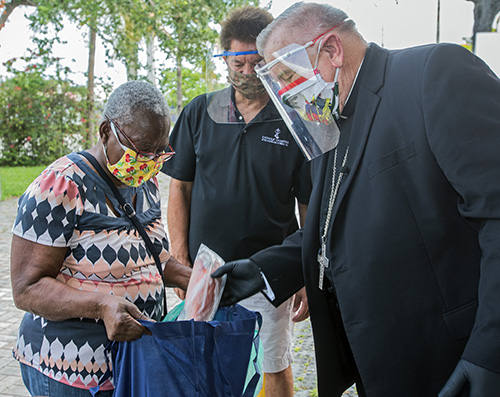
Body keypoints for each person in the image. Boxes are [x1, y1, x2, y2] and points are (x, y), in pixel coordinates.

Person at [211, 2, 500, 396]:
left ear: (331, 50)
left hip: (453, 354)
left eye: (285, 76)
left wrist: (490, 350)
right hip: (380, 361)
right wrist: (261, 271)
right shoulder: (329, 121)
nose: (283, 93)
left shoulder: (433, 73)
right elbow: (328, 226)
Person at [162, 6, 312, 396]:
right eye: (238, 63)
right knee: (201, 360)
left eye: (256, 63)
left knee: (273, 363)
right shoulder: (200, 111)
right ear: (224, 58)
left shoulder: (294, 119)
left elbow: (307, 204)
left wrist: (304, 271)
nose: (247, 73)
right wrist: (179, 257)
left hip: (268, 271)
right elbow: (180, 187)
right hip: (204, 270)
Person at [10, 80, 191, 396]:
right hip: (69, 373)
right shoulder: (60, 186)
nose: (149, 162)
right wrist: (100, 305)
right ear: (106, 131)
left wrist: (202, 279)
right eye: (140, 150)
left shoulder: (143, 182)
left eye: (160, 151)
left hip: (132, 367)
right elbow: (27, 287)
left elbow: (155, 258)